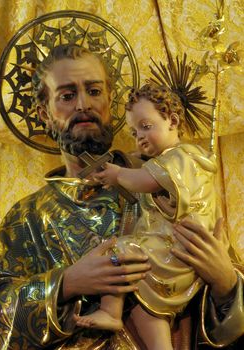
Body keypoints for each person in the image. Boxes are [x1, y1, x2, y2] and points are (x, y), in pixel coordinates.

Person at [0, 44, 243, 349]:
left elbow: (215, 272)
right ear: (44, 113)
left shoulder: (169, 180)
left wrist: (226, 284)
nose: (83, 105)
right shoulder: (31, 215)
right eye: (67, 96)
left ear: (109, 100)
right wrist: (66, 283)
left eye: (94, 91)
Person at [74, 83, 217, 350]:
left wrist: (118, 175)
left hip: (178, 249)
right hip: (169, 251)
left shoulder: (182, 157)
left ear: (172, 120)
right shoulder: (168, 161)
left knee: (122, 249)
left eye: (146, 126)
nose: (139, 137)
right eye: (133, 131)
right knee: (143, 299)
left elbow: (146, 180)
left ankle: (110, 312)